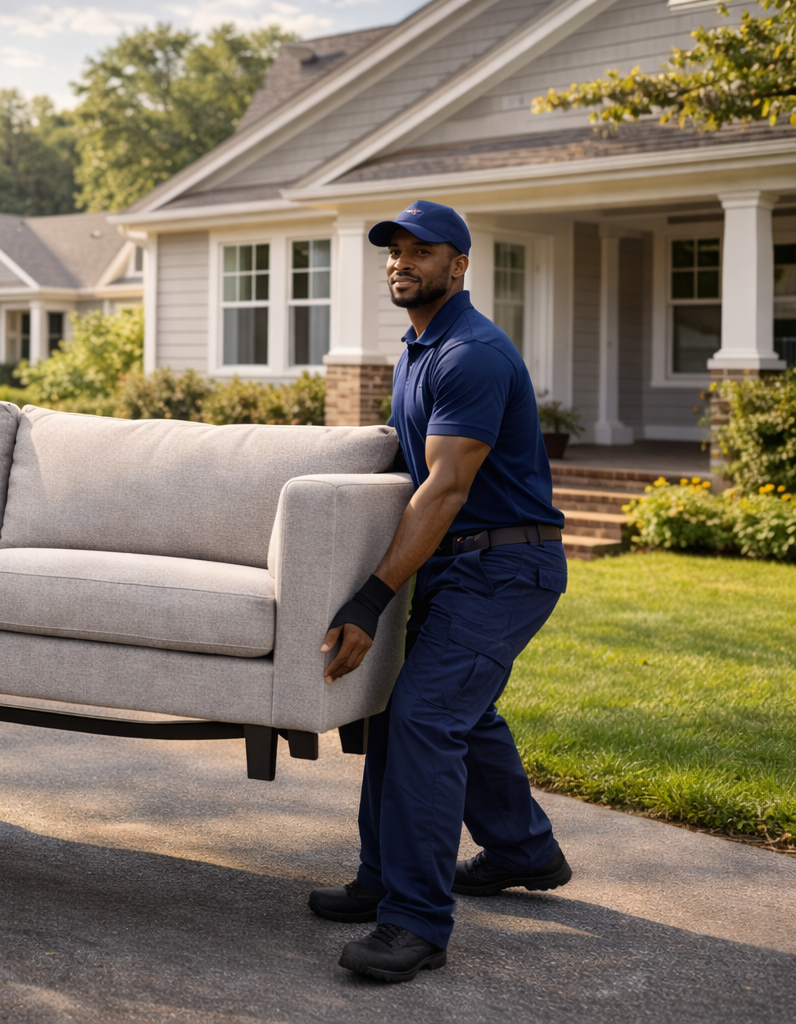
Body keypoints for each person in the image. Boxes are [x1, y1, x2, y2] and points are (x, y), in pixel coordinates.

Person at [308, 201, 572, 982]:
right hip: (463, 566)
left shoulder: (472, 354)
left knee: (423, 716)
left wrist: (369, 599)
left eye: (422, 251)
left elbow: (444, 489)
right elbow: (410, 472)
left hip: (507, 569)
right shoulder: (419, 350)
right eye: (394, 250)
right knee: (433, 707)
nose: (402, 261)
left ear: (460, 265)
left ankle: (415, 922)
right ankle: (521, 851)